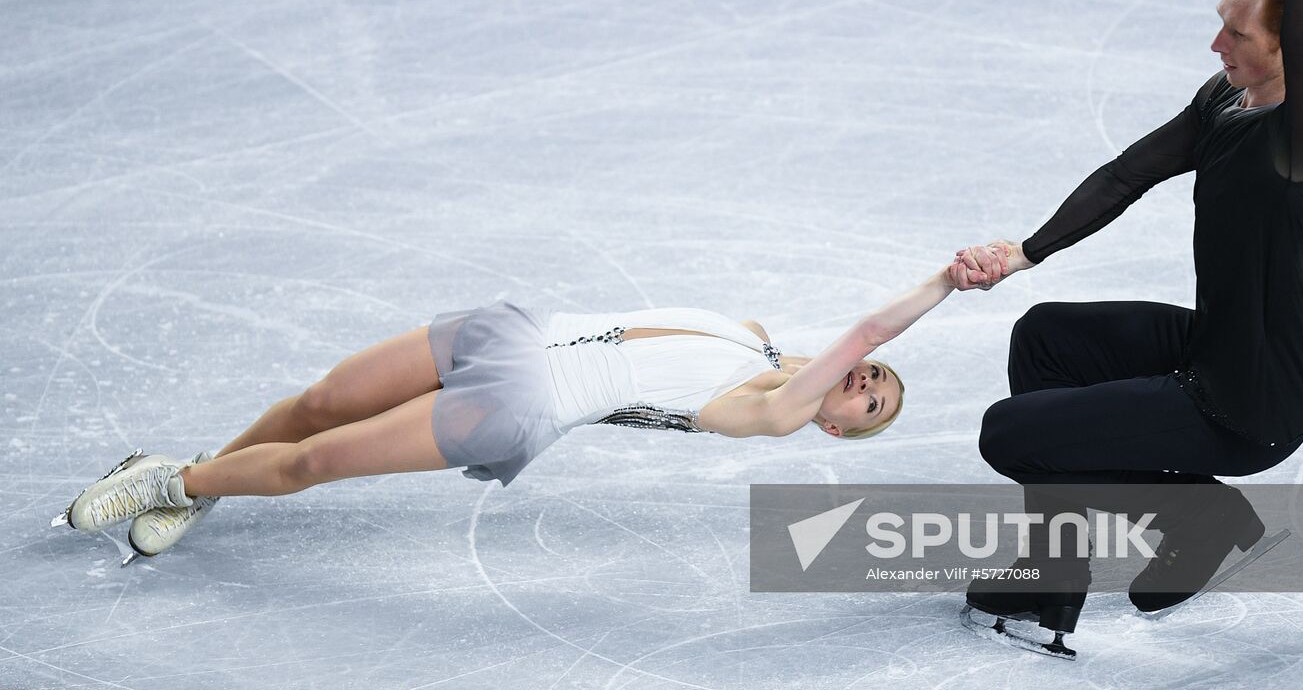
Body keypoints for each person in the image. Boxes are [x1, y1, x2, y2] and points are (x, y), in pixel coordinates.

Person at [947, 0, 1303, 658]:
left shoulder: (1302, 136)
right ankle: (1054, 572)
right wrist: (1024, 253)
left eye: (1238, 35)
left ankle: (1202, 518)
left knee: (1010, 432)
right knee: (1046, 339)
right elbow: (1127, 172)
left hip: (1257, 396)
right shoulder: (1225, 101)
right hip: (1219, 346)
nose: (1218, 46)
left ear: (1286, 48)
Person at [57, 251, 998, 562]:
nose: (871, 385)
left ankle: (164, 482)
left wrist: (947, 281)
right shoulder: (750, 335)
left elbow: (869, 331)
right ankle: (204, 486)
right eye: (879, 386)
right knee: (318, 402)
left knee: (315, 462)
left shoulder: (774, 407)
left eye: (873, 404)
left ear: (834, 425)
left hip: (520, 403)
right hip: (512, 333)